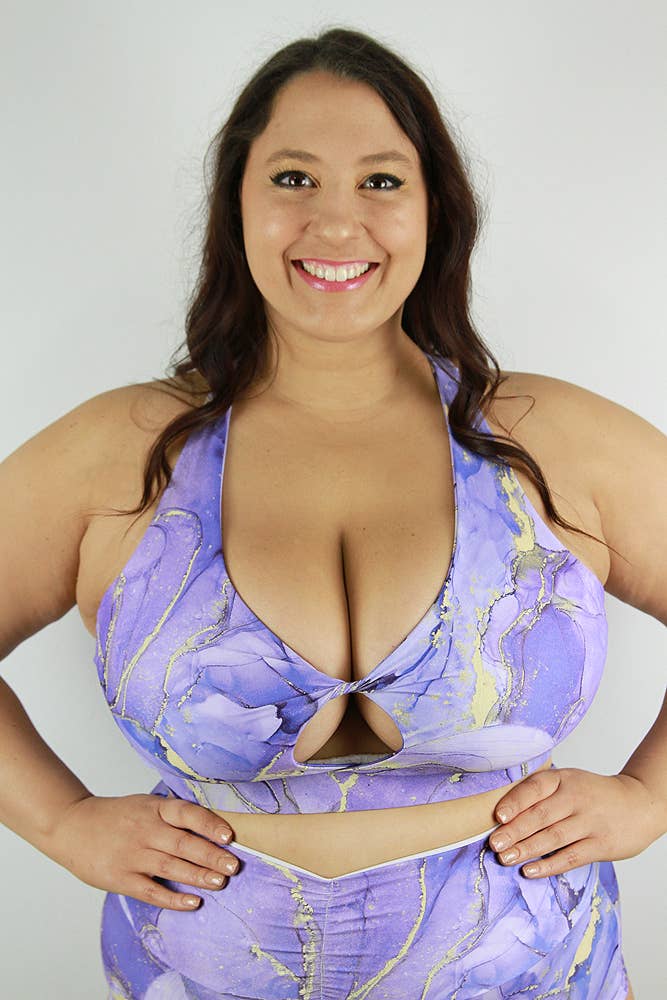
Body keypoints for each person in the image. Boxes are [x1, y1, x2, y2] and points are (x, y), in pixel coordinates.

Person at [0, 25, 663, 1000]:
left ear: (436, 207)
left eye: (381, 181)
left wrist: (648, 796)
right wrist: (59, 823)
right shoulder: (121, 450)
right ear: (236, 203)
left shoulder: (555, 439)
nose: (336, 222)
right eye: (294, 178)